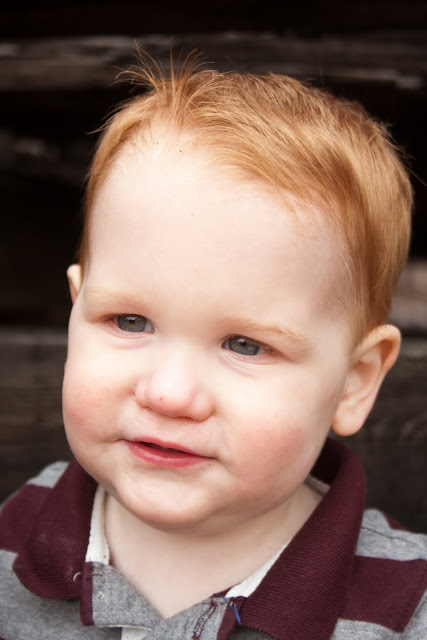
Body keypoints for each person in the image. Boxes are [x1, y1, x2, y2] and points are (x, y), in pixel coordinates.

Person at [0, 54, 426, 640]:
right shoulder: (14, 536)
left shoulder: (407, 609)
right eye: (130, 320)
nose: (169, 394)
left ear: (355, 382)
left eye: (245, 345)